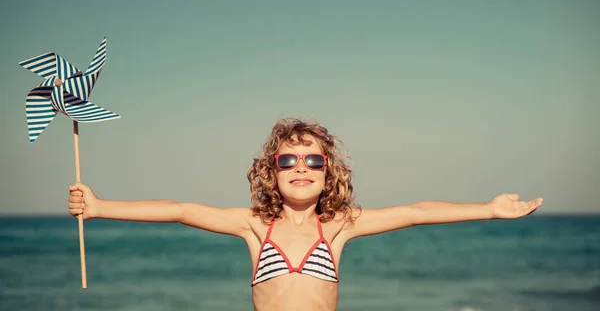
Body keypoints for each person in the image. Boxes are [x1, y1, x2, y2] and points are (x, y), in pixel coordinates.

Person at [68, 118, 544, 311]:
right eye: (288, 160)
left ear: (327, 171)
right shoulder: (255, 226)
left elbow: (415, 212)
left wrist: (489, 209)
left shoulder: (338, 226)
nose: (301, 168)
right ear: (269, 172)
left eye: (313, 160)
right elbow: (180, 210)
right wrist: (100, 206)